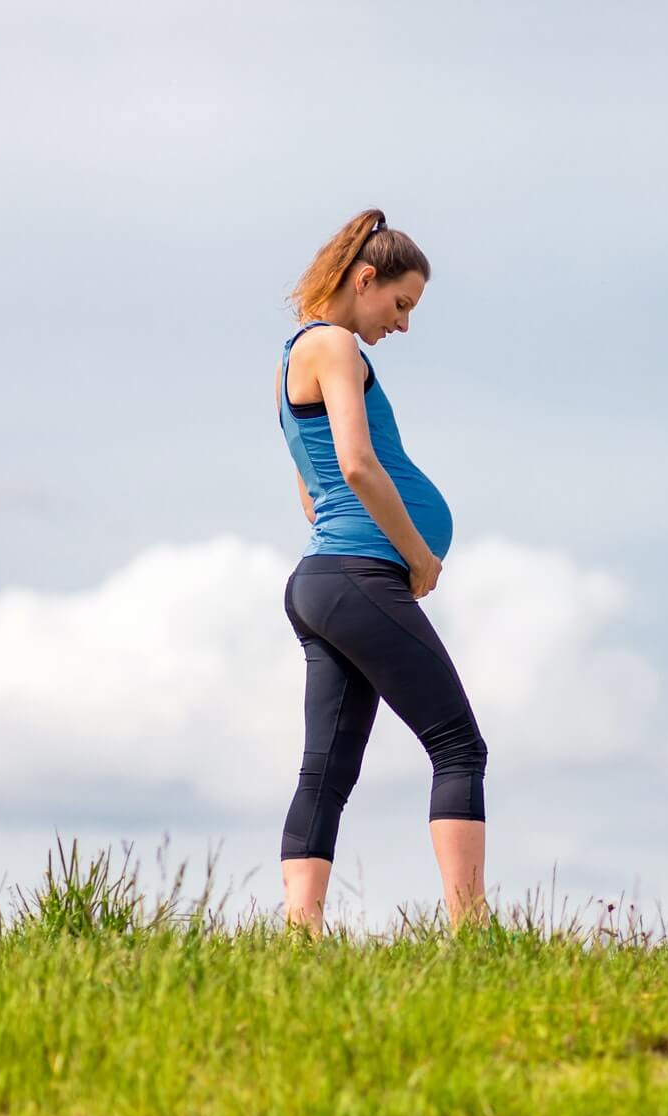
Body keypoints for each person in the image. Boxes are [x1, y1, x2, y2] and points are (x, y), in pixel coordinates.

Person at [274, 207, 488, 934]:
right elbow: (357, 465)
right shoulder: (334, 345)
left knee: (325, 774)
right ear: (365, 278)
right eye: (400, 304)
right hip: (356, 575)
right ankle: (474, 927)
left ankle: (299, 935)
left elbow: (310, 489)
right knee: (459, 745)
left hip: (323, 582)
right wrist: (418, 554)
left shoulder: (292, 356)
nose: (402, 324)